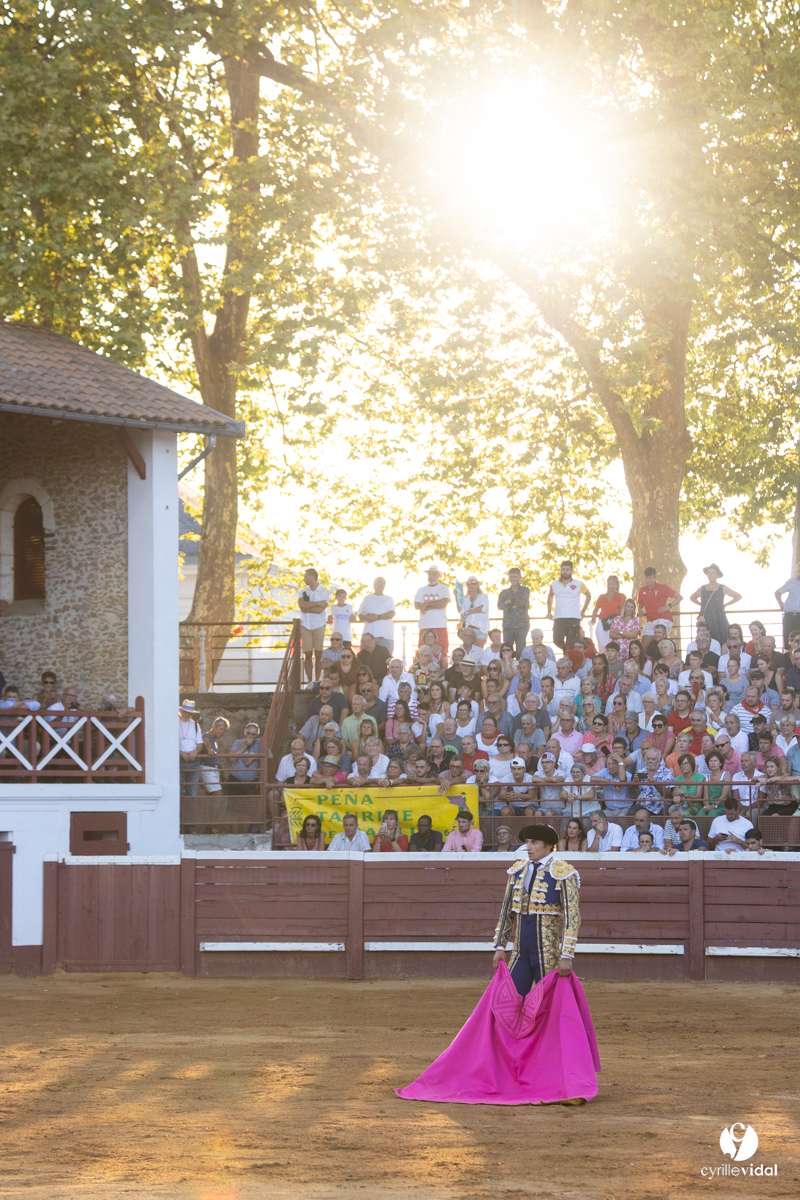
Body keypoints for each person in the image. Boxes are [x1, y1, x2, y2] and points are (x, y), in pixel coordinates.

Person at [397, 824, 599, 1107]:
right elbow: (506, 911)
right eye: (527, 842)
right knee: (503, 1009)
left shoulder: (563, 872)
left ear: (549, 846)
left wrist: (567, 955)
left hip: (550, 956)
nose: (528, 847)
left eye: (534, 842)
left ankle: (560, 1079)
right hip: (521, 953)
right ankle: (502, 1071)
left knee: (551, 1017)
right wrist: (500, 947)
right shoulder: (517, 870)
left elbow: (572, 918)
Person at [688, 564, 741, 647]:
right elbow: (692, 597)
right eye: (709, 573)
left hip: (719, 618)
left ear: (717, 575)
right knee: (705, 638)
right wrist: (702, 605)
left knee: (722, 638)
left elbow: (738, 596)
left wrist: (726, 604)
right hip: (706, 617)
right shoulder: (703, 588)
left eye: (713, 573)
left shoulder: (722, 588)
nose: (711, 574)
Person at [547, 561, 591, 649]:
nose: (565, 572)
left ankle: (569, 655)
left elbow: (588, 595)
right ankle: (566, 651)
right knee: (556, 640)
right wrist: (549, 612)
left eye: (567, 569)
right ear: (560, 570)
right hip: (559, 618)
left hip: (574, 618)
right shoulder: (554, 584)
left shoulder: (579, 584)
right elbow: (550, 597)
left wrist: (583, 611)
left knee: (573, 641)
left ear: (571, 571)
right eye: (563, 569)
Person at [297, 567, 330, 683]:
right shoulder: (302, 591)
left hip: (319, 625)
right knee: (307, 653)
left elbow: (320, 610)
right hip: (305, 625)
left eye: (306, 576)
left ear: (312, 577)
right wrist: (316, 604)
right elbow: (302, 606)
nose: (304, 579)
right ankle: (309, 681)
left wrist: (308, 606)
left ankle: (317, 680)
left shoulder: (324, 591)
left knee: (318, 653)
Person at [637, 566, 681, 644]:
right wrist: (640, 611)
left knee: (661, 643)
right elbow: (640, 606)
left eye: (650, 578)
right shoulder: (641, 590)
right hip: (650, 620)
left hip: (663, 618)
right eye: (646, 578)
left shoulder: (663, 587)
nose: (647, 580)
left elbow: (679, 597)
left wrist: (668, 606)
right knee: (644, 645)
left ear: (655, 578)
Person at [414, 565, 451, 651]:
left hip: (439, 624)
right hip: (425, 624)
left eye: (433, 574)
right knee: (423, 650)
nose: (431, 576)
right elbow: (417, 605)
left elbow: (443, 603)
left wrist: (426, 604)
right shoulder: (421, 590)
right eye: (429, 574)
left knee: (441, 649)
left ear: (438, 576)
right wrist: (434, 605)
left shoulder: (444, 588)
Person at [497, 568, 531, 658]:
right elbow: (500, 606)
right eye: (511, 577)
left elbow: (523, 602)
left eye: (515, 577)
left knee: (521, 651)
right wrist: (513, 605)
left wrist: (508, 603)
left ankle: (520, 670)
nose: (513, 579)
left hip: (522, 625)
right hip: (508, 625)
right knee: (507, 650)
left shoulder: (525, 590)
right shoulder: (504, 592)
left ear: (520, 577)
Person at [357, 577, 396, 652]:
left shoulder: (389, 599)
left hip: (385, 635)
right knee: (366, 659)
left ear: (384, 586)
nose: (380, 585)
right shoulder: (367, 598)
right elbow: (360, 614)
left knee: (386, 658)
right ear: (374, 585)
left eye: (382, 583)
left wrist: (377, 617)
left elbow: (392, 613)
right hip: (368, 635)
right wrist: (366, 617)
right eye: (378, 583)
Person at [591, 575, 626, 652]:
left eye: (613, 584)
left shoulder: (622, 596)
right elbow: (596, 609)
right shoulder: (602, 597)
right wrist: (593, 616)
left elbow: (626, 609)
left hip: (616, 623)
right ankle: (603, 660)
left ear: (617, 585)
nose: (610, 586)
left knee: (609, 643)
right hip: (602, 622)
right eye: (609, 584)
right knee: (601, 644)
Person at [179, 699, 204, 797]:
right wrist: (180, 753)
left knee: (192, 793)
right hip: (179, 760)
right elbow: (169, 744)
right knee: (178, 791)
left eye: (190, 713)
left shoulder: (195, 725)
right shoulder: (173, 723)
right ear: (181, 711)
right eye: (186, 712)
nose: (188, 715)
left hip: (194, 761)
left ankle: (190, 812)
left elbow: (200, 744)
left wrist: (195, 751)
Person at [200, 715, 229, 795]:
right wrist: (210, 749)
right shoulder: (207, 736)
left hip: (213, 770)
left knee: (215, 796)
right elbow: (206, 742)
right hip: (208, 769)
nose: (222, 732)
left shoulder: (214, 741)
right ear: (214, 727)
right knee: (218, 796)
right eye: (221, 729)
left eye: (224, 731)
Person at [459, 575, 490, 647]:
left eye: (473, 583)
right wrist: (456, 598)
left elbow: (482, 608)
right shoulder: (465, 599)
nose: (471, 585)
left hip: (480, 629)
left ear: (477, 585)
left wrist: (468, 612)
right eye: (469, 583)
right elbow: (461, 611)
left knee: (478, 652)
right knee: (468, 653)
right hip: (468, 629)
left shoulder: (483, 596)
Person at [775, 568, 800, 650]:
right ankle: (790, 660)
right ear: (797, 571)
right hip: (789, 615)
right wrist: (781, 604)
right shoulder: (791, 582)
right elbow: (777, 592)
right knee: (788, 640)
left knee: (798, 640)